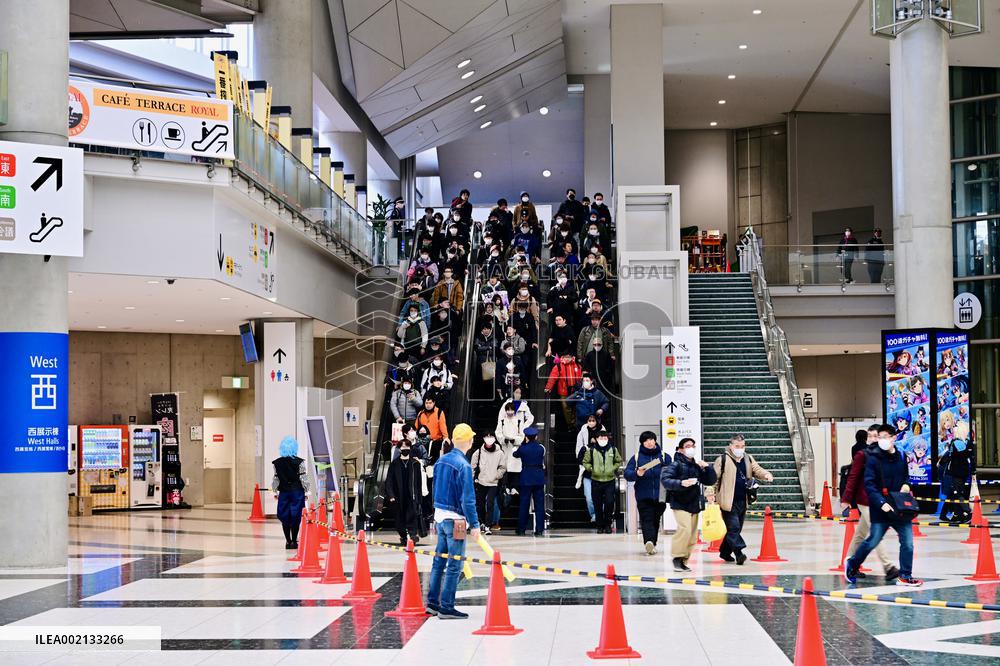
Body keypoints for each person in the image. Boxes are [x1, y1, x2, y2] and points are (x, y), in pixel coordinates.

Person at [844, 425, 923, 587]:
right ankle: (852, 564)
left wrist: (906, 486)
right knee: (873, 540)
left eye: (884, 436)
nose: (881, 440)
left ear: (894, 437)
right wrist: (881, 503)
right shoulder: (873, 457)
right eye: (879, 437)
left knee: (908, 542)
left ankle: (905, 576)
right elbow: (869, 484)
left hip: (899, 507)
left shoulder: (901, 456)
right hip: (880, 508)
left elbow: (906, 478)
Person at [426, 423, 481, 619]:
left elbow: (434, 489)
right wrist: (474, 525)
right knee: (455, 564)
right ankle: (447, 606)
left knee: (438, 561)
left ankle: (432, 603)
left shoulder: (441, 461)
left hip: (440, 517)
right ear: (469, 441)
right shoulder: (464, 466)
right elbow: (468, 499)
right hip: (456, 521)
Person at [842, 429, 898, 579]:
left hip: (878, 500)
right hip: (865, 500)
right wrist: (846, 499)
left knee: (860, 534)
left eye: (877, 436)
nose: (874, 439)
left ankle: (849, 562)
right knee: (877, 532)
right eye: (871, 436)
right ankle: (888, 567)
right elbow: (853, 476)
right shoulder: (863, 455)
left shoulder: (883, 455)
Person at [711, 435, 773, 565]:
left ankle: (724, 552)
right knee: (734, 527)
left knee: (735, 530)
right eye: (737, 446)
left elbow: (756, 469)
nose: (740, 449)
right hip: (727, 500)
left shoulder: (748, 458)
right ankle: (739, 554)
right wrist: (710, 493)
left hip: (743, 500)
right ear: (731, 446)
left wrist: (766, 474)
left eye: (742, 446)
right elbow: (713, 479)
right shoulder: (722, 459)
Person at [661, 438, 718, 572]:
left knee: (692, 535)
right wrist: (681, 483)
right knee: (684, 529)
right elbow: (665, 480)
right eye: (687, 446)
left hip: (694, 503)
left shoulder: (696, 465)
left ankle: (684, 560)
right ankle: (677, 557)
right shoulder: (675, 465)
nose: (691, 448)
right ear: (680, 449)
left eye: (693, 446)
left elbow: (710, 480)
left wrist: (708, 468)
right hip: (679, 502)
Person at [624, 431, 670, 554]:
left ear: (655, 440)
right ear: (642, 443)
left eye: (651, 439)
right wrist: (636, 474)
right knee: (647, 519)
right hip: (643, 495)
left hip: (661, 495)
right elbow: (627, 474)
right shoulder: (637, 457)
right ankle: (648, 542)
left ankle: (652, 543)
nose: (649, 442)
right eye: (646, 441)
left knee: (655, 520)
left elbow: (672, 472)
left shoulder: (664, 456)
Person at [385, 438, 428, 545]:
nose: (405, 449)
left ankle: (413, 535)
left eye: (407, 447)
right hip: (398, 496)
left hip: (411, 494)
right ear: (399, 449)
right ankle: (403, 536)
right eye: (403, 447)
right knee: (399, 519)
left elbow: (418, 482)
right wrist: (391, 495)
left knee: (412, 515)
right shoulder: (394, 464)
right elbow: (389, 481)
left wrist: (419, 497)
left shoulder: (415, 464)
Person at [271, 436, 309, 549]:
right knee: (295, 516)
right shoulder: (300, 462)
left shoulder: (276, 463)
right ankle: (294, 541)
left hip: (284, 492)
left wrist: (275, 491)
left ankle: (287, 541)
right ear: (294, 448)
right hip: (297, 492)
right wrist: (306, 491)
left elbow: (276, 478)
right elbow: (304, 478)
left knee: (285, 516)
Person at [583, 431, 622, 534]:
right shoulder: (591, 450)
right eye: (601, 438)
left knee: (609, 502)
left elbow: (618, 461)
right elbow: (585, 462)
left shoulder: (613, 449)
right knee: (597, 504)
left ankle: (608, 524)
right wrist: (591, 469)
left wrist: (612, 468)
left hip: (610, 480)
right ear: (596, 439)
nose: (603, 440)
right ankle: (600, 526)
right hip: (596, 481)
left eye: (605, 438)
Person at [938, 420, 975, 523]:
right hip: (963, 472)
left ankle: (967, 512)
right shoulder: (968, 443)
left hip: (954, 472)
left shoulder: (955, 443)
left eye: (955, 427)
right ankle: (957, 515)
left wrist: (941, 463)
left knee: (957, 493)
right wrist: (973, 472)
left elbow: (950, 457)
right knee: (955, 492)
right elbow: (971, 458)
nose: (953, 429)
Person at [513, 425, 546, 536]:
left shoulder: (523, 448)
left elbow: (515, 454)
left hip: (526, 477)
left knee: (524, 504)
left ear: (526, 436)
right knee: (539, 505)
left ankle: (521, 529)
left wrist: (523, 444)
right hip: (539, 478)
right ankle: (539, 529)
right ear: (536, 437)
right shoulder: (541, 448)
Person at [471, 433, 507, 535]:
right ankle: (482, 522)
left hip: (493, 482)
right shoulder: (478, 452)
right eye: (487, 437)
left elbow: (503, 467)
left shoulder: (500, 453)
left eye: (491, 437)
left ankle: (488, 525)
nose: (489, 439)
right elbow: (472, 467)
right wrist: (472, 479)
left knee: (490, 503)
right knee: (480, 503)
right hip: (481, 481)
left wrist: (497, 475)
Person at [575, 414, 601, 523]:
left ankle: (601, 515)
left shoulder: (602, 431)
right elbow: (579, 449)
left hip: (601, 473)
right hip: (587, 473)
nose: (591, 422)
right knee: (589, 497)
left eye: (593, 420)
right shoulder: (582, 432)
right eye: (589, 420)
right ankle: (594, 514)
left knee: (601, 497)